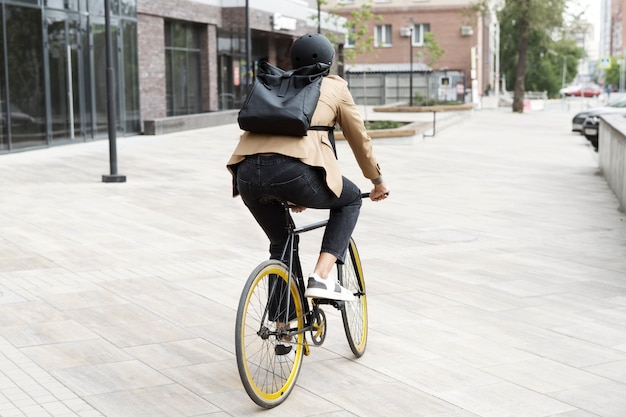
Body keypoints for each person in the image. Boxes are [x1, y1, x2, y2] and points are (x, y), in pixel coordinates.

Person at [227, 33, 389, 302]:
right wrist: (377, 180)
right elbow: (359, 138)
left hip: (246, 174)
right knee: (349, 201)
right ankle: (322, 277)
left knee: (281, 244)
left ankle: (283, 326)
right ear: (329, 61)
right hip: (295, 174)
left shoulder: (275, 84)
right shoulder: (335, 87)